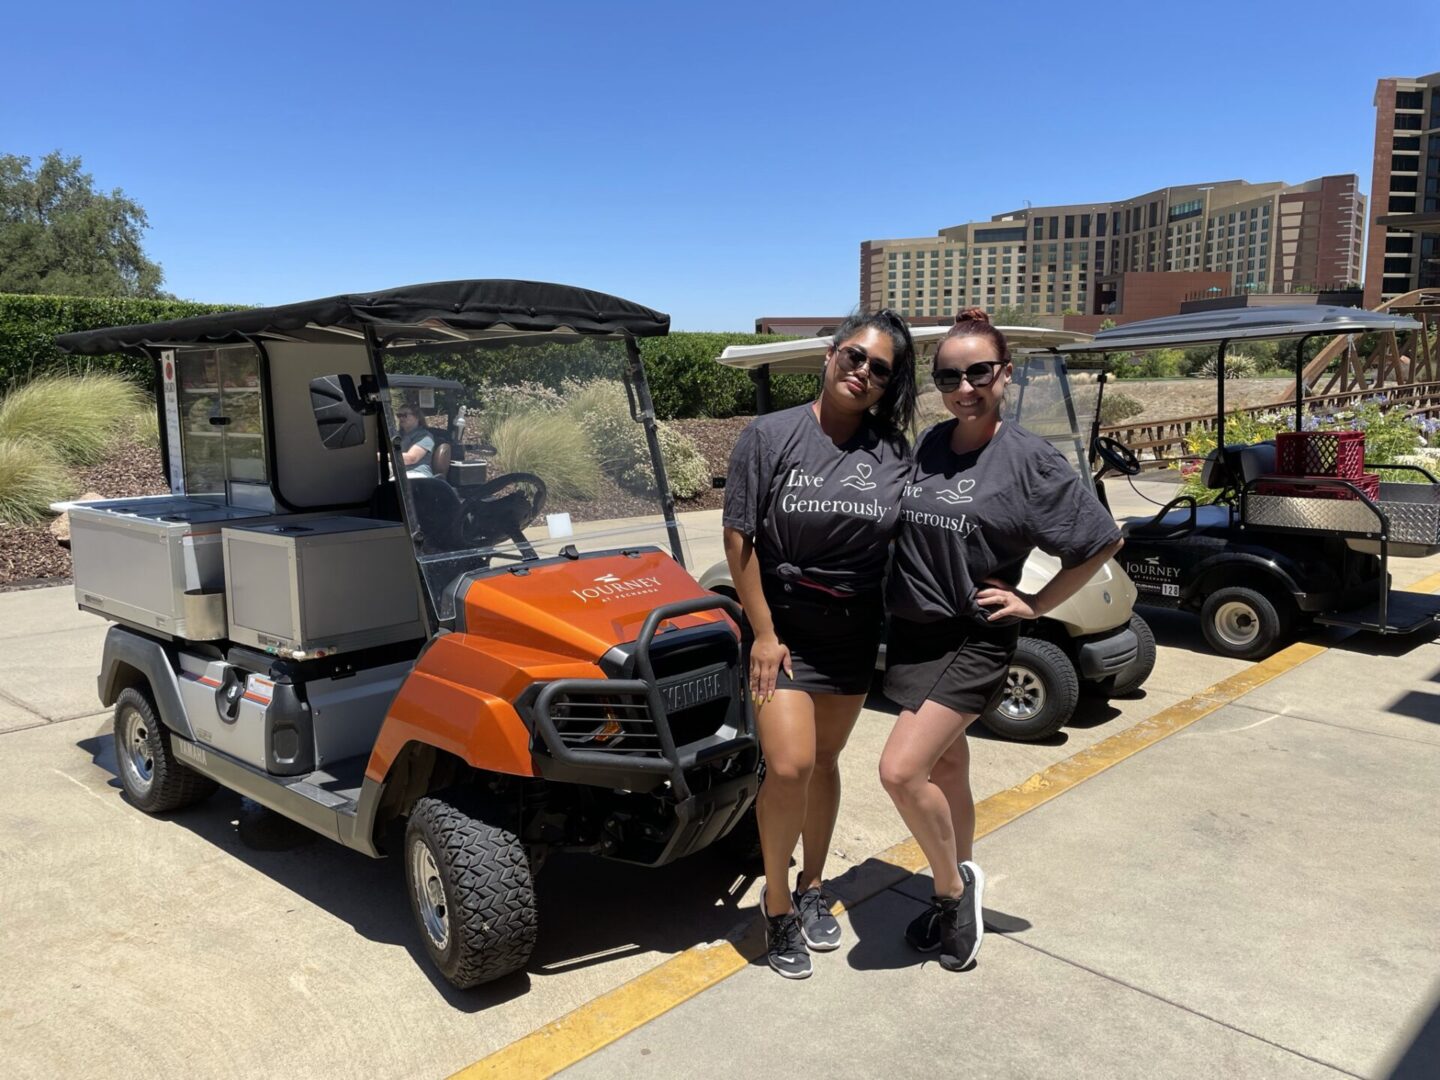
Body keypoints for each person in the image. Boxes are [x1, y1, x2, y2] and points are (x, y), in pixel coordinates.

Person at [879, 309, 1122, 972]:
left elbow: (1101, 539)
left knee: (900, 771)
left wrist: (1036, 602)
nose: (965, 387)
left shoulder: (1026, 460)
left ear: (1004, 376)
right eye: (950, 376)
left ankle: (953, 892)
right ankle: (961, 869)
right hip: (915, 635)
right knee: (949, 767)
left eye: (978, 373)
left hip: (973, 638)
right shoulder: (931, 443)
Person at [723, 309, 917, 979]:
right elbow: (739, 539)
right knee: (790, 765)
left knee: (827, 760)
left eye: (880, 368)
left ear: (890, 384)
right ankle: (775, 905)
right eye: (855, 356)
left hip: (853, 632)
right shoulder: (770, 435)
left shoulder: (894, 452)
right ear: (832, 356)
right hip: (785, 629)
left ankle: (811, 888)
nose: (863, 371)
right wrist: (765, 635)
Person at [395, 404, 437, 478]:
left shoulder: (425, 436)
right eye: (399, 415)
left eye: (404, 415)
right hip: (398, 473)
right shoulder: (396, 435)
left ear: (417, 417)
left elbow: (411, 458)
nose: (401, 418)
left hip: (417, 474)